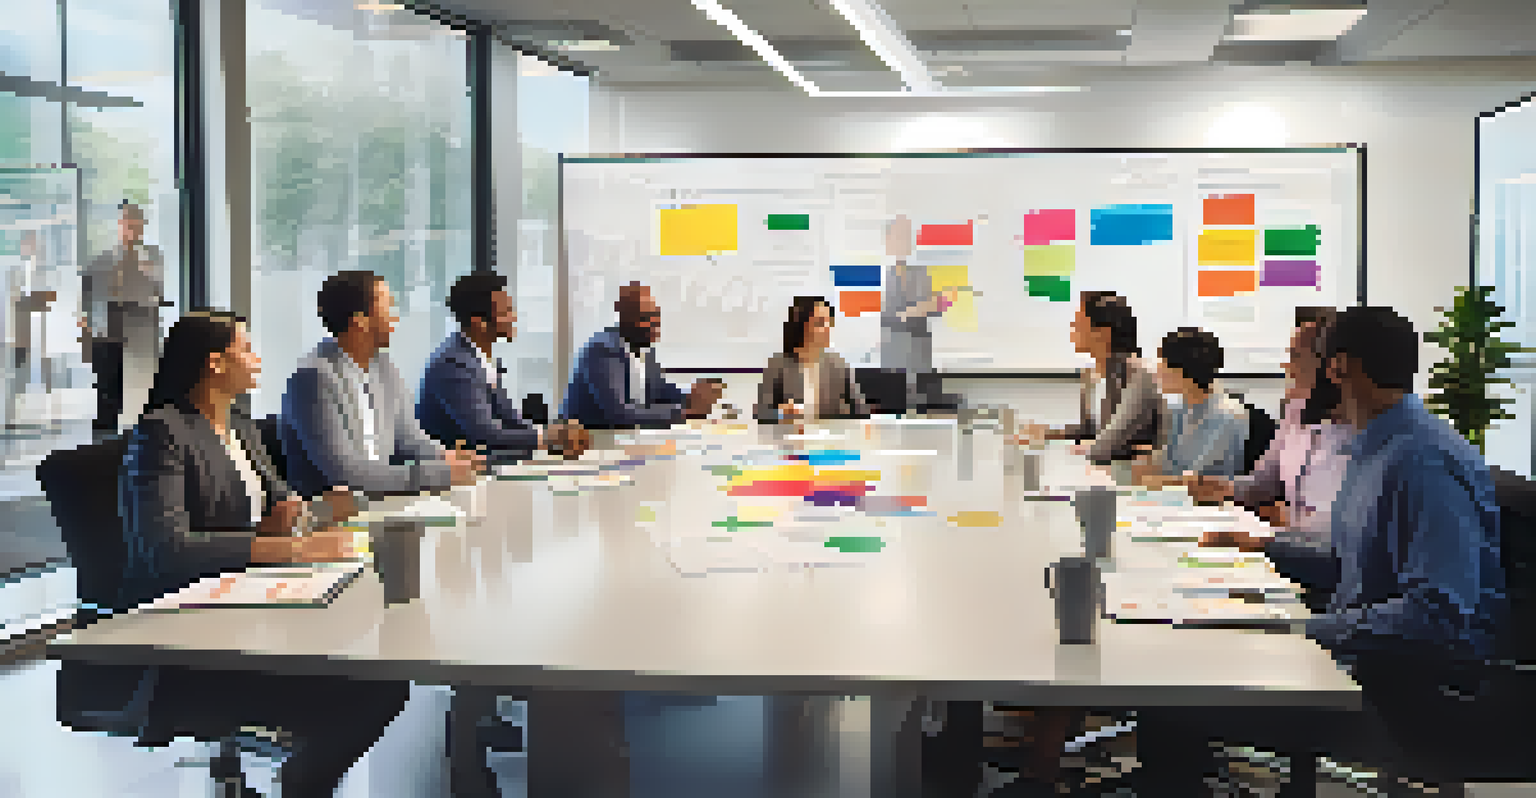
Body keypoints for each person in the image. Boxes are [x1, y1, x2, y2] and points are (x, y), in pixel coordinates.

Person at [1137, 306, 1509, 795]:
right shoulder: (1373, 445)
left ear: (1338, 368)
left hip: (1413, 685)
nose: (1293, 373)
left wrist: (1305, 631)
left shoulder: (1422, 461)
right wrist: (1266, 546)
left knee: (1172, 700)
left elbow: (1436, 612)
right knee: (1187, 667)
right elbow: (1348, 560)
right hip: (1368, 652)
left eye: (1306, 360)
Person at [117, 310, 407, 798]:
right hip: (192, 633)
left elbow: (276, 507)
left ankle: (305, 777)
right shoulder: (161, 433)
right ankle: (304, 781)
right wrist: (285, 548)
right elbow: (165, 551)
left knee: (377, 665)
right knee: (374, 684)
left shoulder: (242, 428)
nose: (256, 359)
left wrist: (303, 516)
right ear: (214, 363)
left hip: (251, 603)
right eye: (246, 349)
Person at [279, 270, 483, 498]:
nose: (395, 317)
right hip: (334, 517)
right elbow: (347, 475)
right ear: (360, 321)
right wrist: (440, 474)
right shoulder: (312, 378)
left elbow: (407, 438)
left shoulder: (384, 365)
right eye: (388, 307)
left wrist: (446, 457)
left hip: (383, 500)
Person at [1186, 308, 1353, 542]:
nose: (1287, 366)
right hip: (1293, 547)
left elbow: (1336, 530)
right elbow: (1263, 482)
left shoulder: (1359, 430)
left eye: (1295, 356)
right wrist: (1219, 488)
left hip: (1317, 556)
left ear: (1329, 366)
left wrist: (1280, 524)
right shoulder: (1296, 411)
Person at [418, 272, 589, 463]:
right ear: (479, 324)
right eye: (505, 312)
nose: (513, 317)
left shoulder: (479, 357)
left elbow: (509, 419)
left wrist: (553, 431)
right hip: (457, 478)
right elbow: (486, 435)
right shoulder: (453, 366)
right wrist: (547, 437)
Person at [1012, 291, 1162, 463]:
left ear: (1103, 333)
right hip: (1105, 468)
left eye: (1079, 324)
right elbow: (1090, 430)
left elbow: (1117, 439)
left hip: (1133, 473)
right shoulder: (1092, 375)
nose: (1072, 329)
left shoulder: (1138, 375)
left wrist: (1074, 448)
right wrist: (1048, 433)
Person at [561, 281, 723, 429]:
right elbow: (619, 413)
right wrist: (683, 412)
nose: (655, 324)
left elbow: (659, 391)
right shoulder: (602, 350)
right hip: (587, 441)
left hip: (625, 438)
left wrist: (691, 397)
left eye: (656, 316)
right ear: (624, 319)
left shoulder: (645, 349)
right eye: (646, 318)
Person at [82, 201, 168, 433]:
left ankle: (142, 439)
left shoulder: (152, 256)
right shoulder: (102, 258)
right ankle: (104, 443)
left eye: (135, 222)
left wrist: (149, 273)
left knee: (143, 393)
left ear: (143, 225)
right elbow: (88, 293)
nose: (130, 228)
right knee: (108, 394)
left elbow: (158, 292)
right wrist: (87, 324)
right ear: (118, 225)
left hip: (141, 334)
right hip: (108, 333)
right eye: (125, 222)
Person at [1131, 327, 1249, 486]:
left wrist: (1151, 478)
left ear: (1183, 370)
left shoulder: (1228, 416)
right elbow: (1168, 466)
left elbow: (1197, 482)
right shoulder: (1180, 408)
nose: (1157, 370)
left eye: (1163, 362)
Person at [880, 215, 956, 408]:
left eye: (908, 236)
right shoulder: (880, 275)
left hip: (922, 359)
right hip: (893, 361)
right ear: (888, 239)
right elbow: (885, 315)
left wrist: (938, 304)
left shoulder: (922, 273)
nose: (905, 241)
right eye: (900, 236)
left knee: (927, 413)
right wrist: (914, 311)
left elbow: (934, 307)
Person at [755, 296, 869, 423]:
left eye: (829, 323)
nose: (827, 329)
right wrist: (782, 413)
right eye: (820, 323)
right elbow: (761, 412)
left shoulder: (837, 365)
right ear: (802, 325)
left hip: (829, 440)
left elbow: (861, 411)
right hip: (790, 438)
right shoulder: (778, 365)